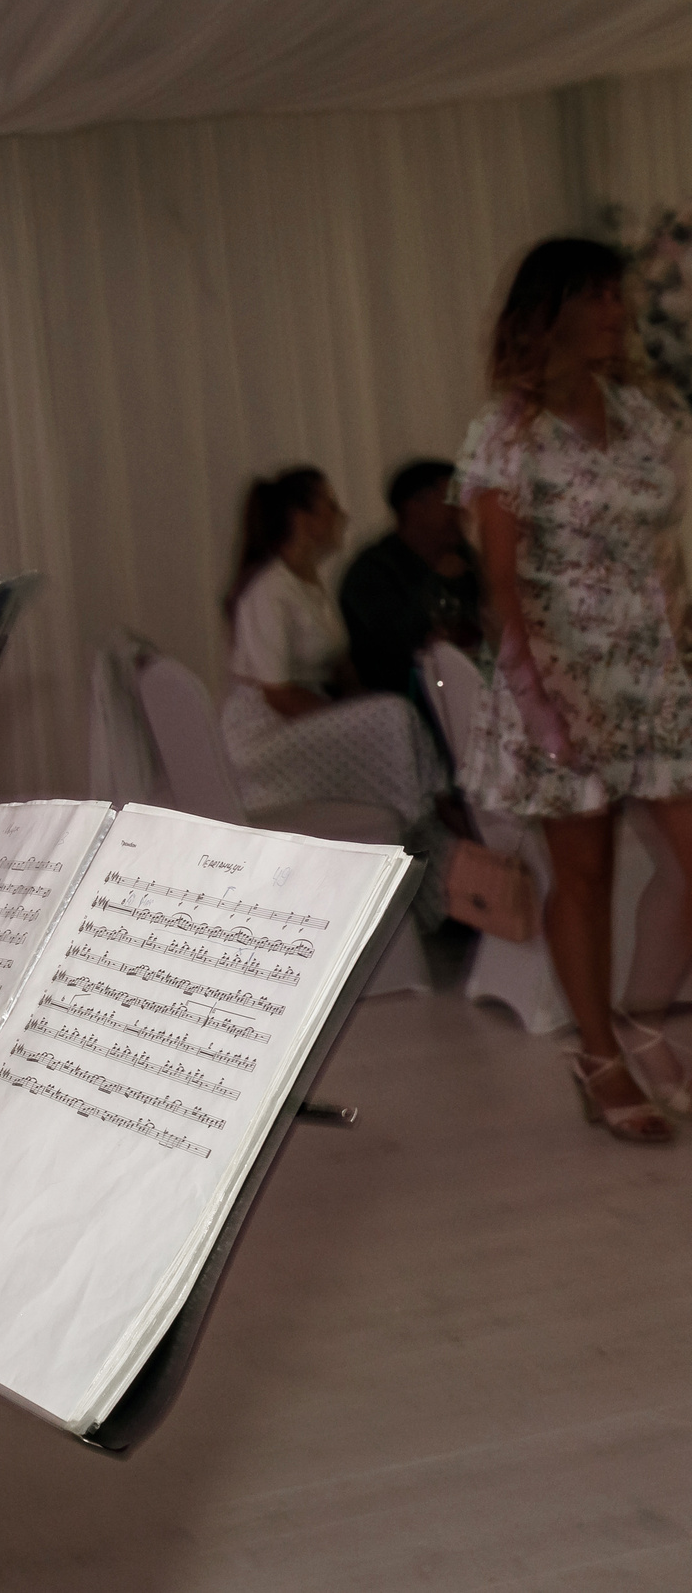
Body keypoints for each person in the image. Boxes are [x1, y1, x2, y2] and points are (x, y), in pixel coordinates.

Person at [456, 236, 692, 1144]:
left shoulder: (638, 417)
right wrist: (543, 703)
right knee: (584, 875)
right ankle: (601, 1061)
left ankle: (642, 1019)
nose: (616, 313)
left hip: (651, 676)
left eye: (619, 297)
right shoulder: (507, 431)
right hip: (558, 682)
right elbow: (502, 587)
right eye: (597, 296)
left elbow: (661, 554)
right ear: (549, 309)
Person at [219, 465, 452, 833]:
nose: (342, 516)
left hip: (299, 716)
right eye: (330, 505)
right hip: (265, 735)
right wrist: (346, 715)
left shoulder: (309, 585)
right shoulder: (269, 591)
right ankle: (419, 825)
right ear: (303, 518)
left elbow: (339, 668)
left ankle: (433, 818)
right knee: (391, 719)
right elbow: (279, 695)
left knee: (397, 711)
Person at [338, 458, 485, 759]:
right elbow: (390, 643)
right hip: (406, 701)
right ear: (413, 506)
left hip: (469, 688)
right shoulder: (372, 570)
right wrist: (437, 582)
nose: (460, 512)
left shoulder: (467, 560)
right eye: (451, 501)